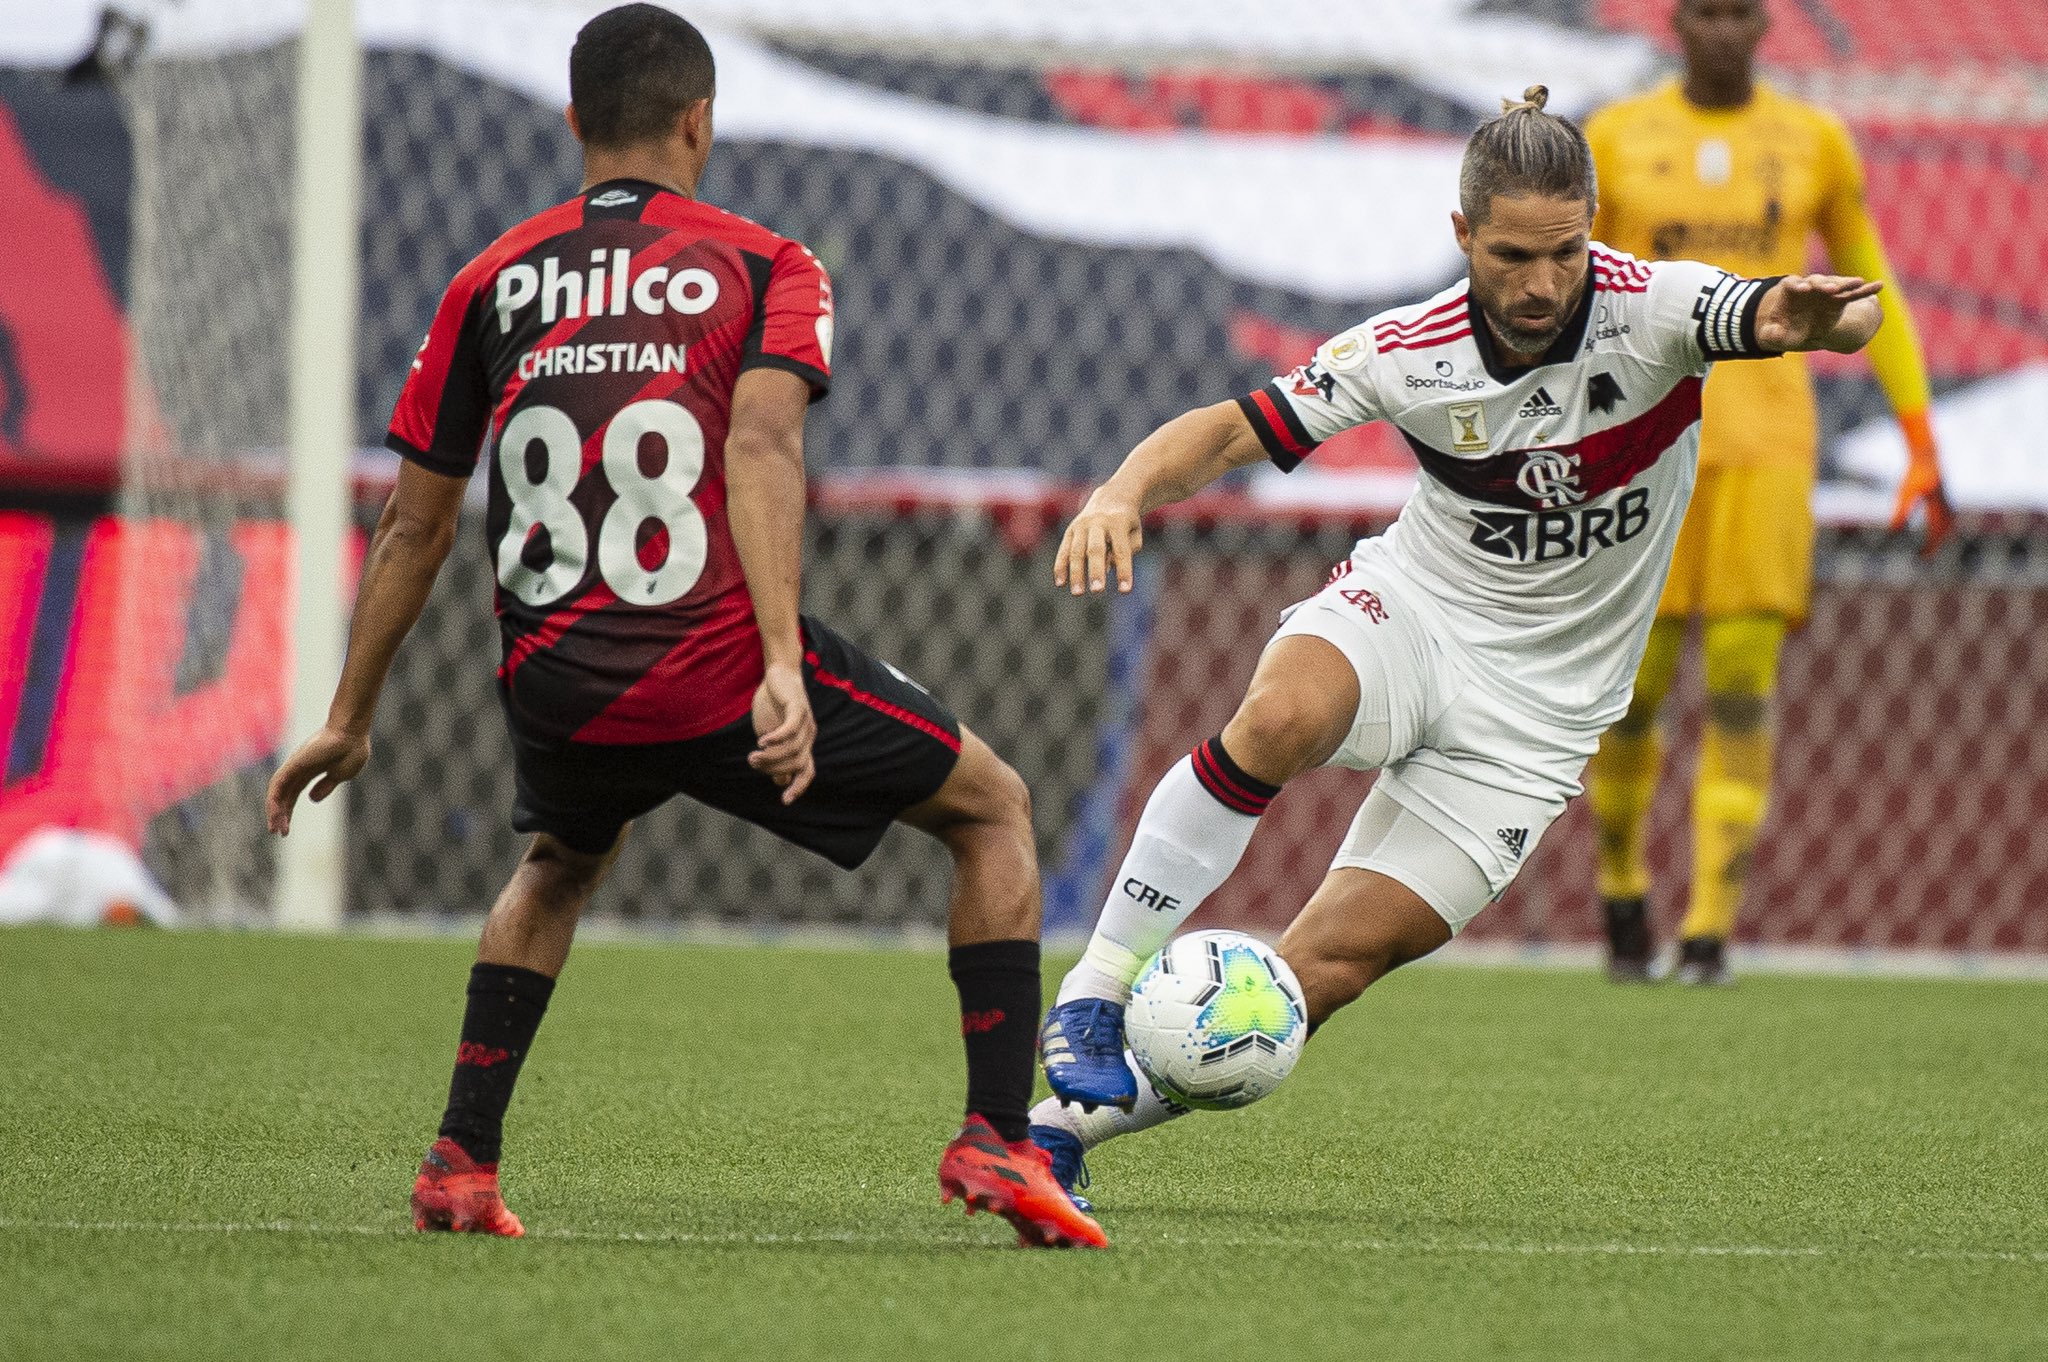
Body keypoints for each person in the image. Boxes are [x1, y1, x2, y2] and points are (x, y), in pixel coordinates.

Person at [264, 4, 1103, 1250]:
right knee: (992, 808)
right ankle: (995, 1136)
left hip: (553, 679)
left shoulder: (488, 278)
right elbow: (762, 441)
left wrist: (347, 716)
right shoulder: (767, 263)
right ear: (698, 121)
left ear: (572, 125)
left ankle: (459, 1159)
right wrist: (779, 667)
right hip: (709, 670)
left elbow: (414, 528)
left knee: (556, 861)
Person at [1027, 87, 1882, 1200]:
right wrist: (1123, 490)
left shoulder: (1659, 307)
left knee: (1310, 980)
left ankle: (1048, 1140)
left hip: (1540, 715)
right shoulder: (1405, 349)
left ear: (1592, 231)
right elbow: (1235, 427)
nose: (1540, 284)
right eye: (1513, 255)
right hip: (1418, 613)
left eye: (1565, 252)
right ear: (1461, 236)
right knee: (1279, 716)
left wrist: (1823, 319)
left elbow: (1796, 315)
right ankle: (1093, 988)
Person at [1581, 0, 1950, 985]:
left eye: (1737, 14)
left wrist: (1918, 436)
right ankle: (1621, 885)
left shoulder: (1812, 141)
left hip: (1768, 450)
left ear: (1761, 26)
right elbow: (1573, 298)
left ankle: (1706, 931)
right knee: (1630, 697)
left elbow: (1870, 284)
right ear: (1673, 24)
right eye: (1702, 13)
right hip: (1641, 446)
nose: (1719, 31)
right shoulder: (1613, 140)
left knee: (1741, 691)